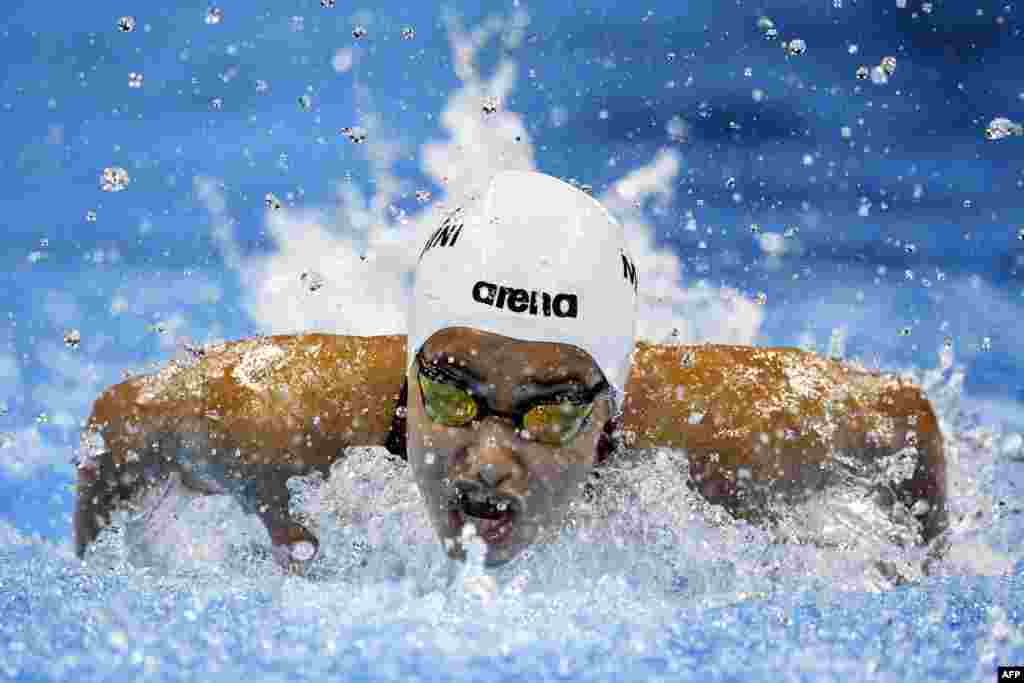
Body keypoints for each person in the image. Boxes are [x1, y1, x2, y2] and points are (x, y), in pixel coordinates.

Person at [74, 171, 948, 574]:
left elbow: (903, 424)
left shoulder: (728, 437)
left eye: (550, 410)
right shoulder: (274, 422)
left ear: (610, 409)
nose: (489, 458)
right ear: (412, 376)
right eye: (451, 393)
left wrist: (924, 577)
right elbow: (120, 422)